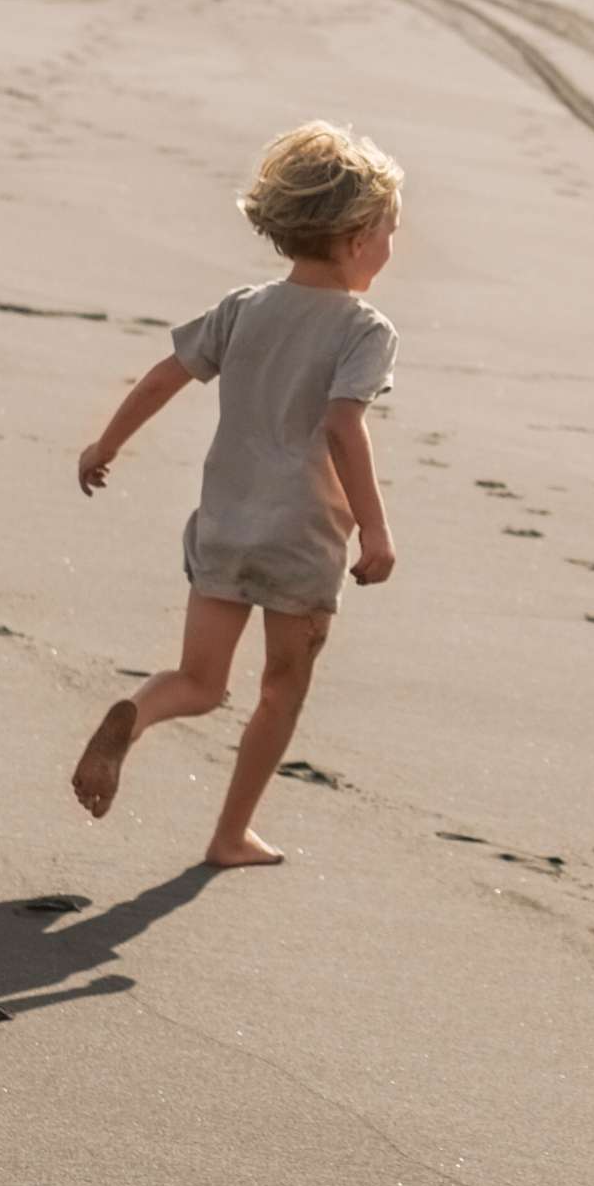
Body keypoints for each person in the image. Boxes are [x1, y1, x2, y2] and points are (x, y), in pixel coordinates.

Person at [69, 122, 401, 869]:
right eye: (388, 231)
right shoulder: (364, 329)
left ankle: (138, 710)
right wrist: (375, 531)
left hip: (223, 523)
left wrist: (106, 445)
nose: (390, 247)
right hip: (301, 537)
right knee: (279, 690)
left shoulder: (243, 307)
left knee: (198, 680)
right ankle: (229, 836)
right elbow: (344, 426)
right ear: (354, 239)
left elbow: (165, 375)